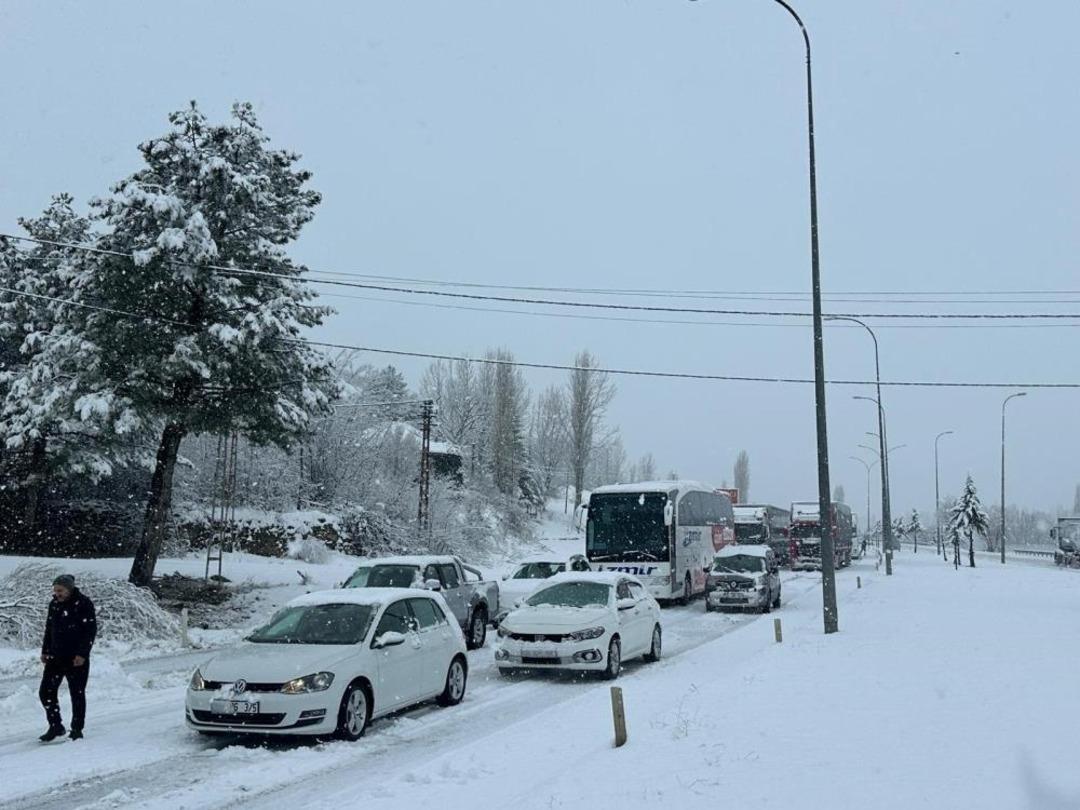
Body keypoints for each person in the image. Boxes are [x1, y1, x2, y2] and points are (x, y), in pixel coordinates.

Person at [39, 574, 97, 742]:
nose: (57, 594)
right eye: (55, 590)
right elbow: (49, 629)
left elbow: (90, 631)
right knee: (46, 692)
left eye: (60, 590)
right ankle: (55, 725)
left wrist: (82, 654)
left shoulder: (83, 603)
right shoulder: (54, 604)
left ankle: (77, 728)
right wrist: (45, 650)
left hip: (76, 658)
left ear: (69, 589)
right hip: (55, 657)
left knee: (77, 693)